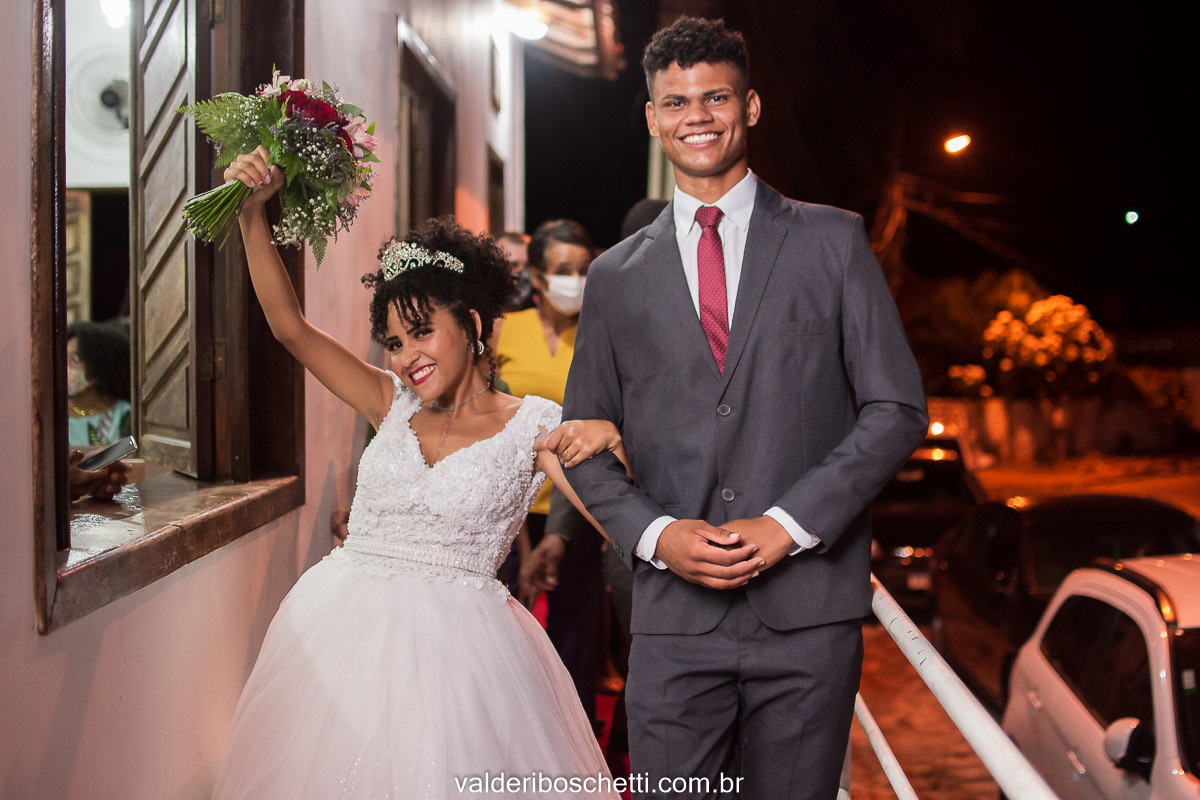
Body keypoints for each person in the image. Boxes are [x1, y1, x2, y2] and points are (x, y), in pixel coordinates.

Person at [561, 17, 928, 800]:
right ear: (655, 118)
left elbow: (895, 408)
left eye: (716, 95)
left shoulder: (833, 242)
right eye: (676, 101)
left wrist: (788, 525)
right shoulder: (616, 278)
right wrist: (656, 535)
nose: (697, 114)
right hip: (672, 621)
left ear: (750, 106)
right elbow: (580, 442)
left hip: (808, 620)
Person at [212, 147, 624, 799]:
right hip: (337, 633)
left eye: (424, 333)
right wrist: (251, 214)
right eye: (396, 342)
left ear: (477, 325)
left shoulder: (536, 424)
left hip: (460, 660)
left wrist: (612, 443)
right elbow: (289, 328)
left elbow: (617, 514)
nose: (407, 358)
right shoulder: (388, 402)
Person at [494, 219, 607, 727]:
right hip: (502, 512)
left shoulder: (600, 334)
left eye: (584, 270)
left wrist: (560, 535)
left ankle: (572, 744)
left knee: (574, 639)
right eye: (564, 271)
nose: (575, 281)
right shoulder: (503, 327)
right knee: (504, 640)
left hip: (579, 510)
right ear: (536, 277)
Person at [65, 321, 132, 446]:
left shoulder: (124, 416)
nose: (65, 367)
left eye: (74, 359)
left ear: (99, 365)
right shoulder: (51, 415)